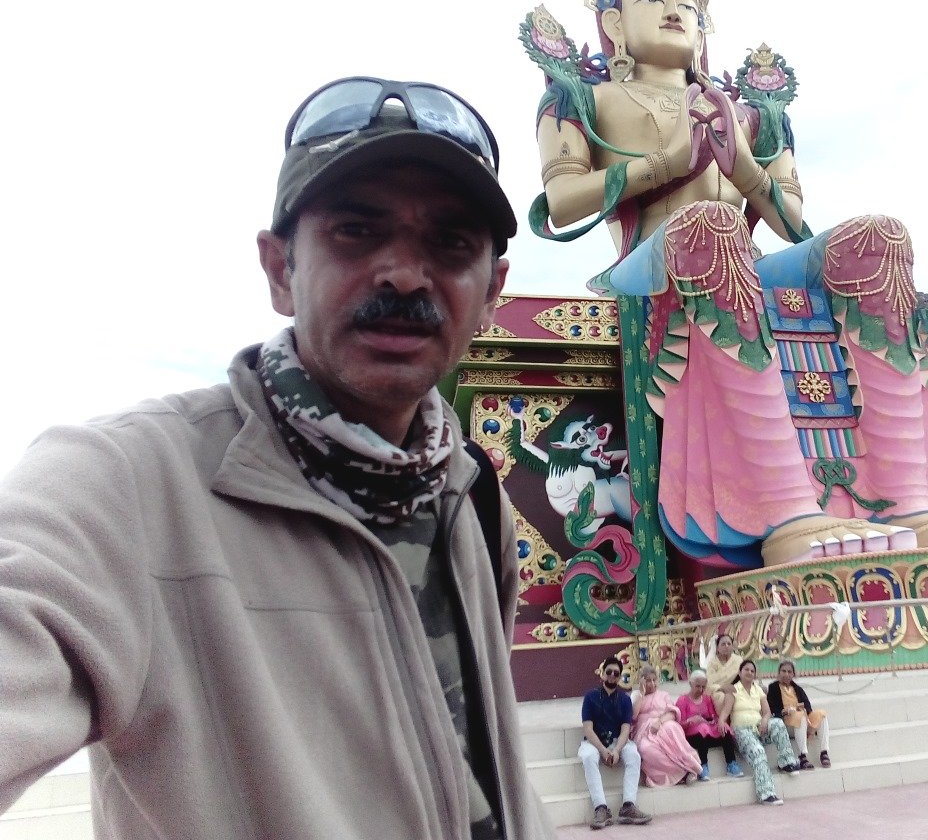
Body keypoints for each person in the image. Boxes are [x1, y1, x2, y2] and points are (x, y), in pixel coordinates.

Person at [0, 77, 555, 840]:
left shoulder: (473, 494)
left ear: (492, 292)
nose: (403, 274)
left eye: (451, 243)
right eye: (355, 231)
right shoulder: (122, 486)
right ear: (279, 270)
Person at [523, 0, 928, 572]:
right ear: (613, 22)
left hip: (741, 261)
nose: (673, 12)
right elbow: (561, 202)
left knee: (879, 240)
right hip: (648, 259)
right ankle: (785, 511)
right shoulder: (585, 98)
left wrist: (744, 166)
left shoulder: (750, 114)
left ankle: (908, 502)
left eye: (687, 4)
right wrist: (669, 163)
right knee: (711, 228)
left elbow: (792, 222)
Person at [579, 656, 653, 829]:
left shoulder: (625, 700)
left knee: (633, 755)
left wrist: (617, 750)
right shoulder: (590, 697)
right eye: (609, 672)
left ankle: (628, 806)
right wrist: (603, 750)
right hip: (595, 742)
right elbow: (588, 729)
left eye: (616, 673)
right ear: (602, 674)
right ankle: (600, 808)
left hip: (618, 741)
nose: (612, 675)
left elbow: (626, 729)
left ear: (620, 677)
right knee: (588, 757)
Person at [718, 660, 799, 806]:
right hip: (742, 732)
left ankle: (786, 762)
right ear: (740, 672)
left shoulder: (758, 690)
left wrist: (765, 720)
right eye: (746, 670)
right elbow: (725, 711)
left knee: (778, 723)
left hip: (759, 729)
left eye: (752, 671)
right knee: (758, 751)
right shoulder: (733, 690)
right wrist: (721, 721)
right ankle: (766, 794)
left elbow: (767, 712)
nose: (749, 672)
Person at [630, 665, 701, 787]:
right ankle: (681, 773)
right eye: (648, 680)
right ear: (642, 681)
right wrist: (641, 693)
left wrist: (659, 722)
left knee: (672, 728)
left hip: (664, 723)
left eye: (654, 680)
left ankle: (690, 765)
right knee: (646, 749)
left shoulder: (663, 695)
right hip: (644, 732)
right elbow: (633, 716)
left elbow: (672, 713)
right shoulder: (636, 695)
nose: (652, 684)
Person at [676, 669, 742, 780]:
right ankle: (703, 766)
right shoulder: (683, 700)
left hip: (707, 733)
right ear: (691, 684)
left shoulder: (707, 698)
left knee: (724, 727)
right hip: (693, 736)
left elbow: (713, 716)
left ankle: (731, 763)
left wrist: (711, 720)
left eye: (703, 687)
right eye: (698, 686)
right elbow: (679, 724)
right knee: (702, 728)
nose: (701, 690)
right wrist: (691, 720)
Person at [766, 660, 832, 769]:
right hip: (786, 723)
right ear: (779, 672)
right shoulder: (773, 688)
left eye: (789, 672)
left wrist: (801, 709)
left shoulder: (797, 688)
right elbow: (772, 708)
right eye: (783, 671)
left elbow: (808, 707)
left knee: (821, 714)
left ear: (793, 674)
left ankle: (824, 752)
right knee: (799, 716)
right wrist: (785, 711)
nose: (786, 674)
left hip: (802, 720)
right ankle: (802, 756)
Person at [704, 633, 744, 716]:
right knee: (721, 697)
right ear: (718, 648)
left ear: (732, 647)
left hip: (736, 688)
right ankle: (723, 722)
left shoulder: (738, 660)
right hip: (718, 690)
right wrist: (722, 687)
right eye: (723, 644)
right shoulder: (712, 663)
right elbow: (709, 683)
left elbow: (744, 678)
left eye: (729, 644)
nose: (726, 646)